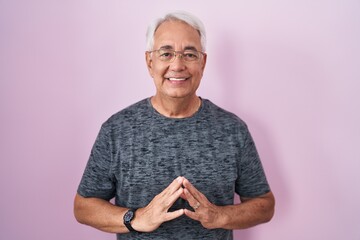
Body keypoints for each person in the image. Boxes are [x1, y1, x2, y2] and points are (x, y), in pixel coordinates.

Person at [74, 11, 275, 240]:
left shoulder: (232, 129)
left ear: (203, 62)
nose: (177, 65)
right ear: (150, 62)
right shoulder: (117, 130)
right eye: (166, 53)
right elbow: (83, 206)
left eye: (189, 54)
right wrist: (136, 218)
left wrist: (219, 216)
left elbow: (264, 204)